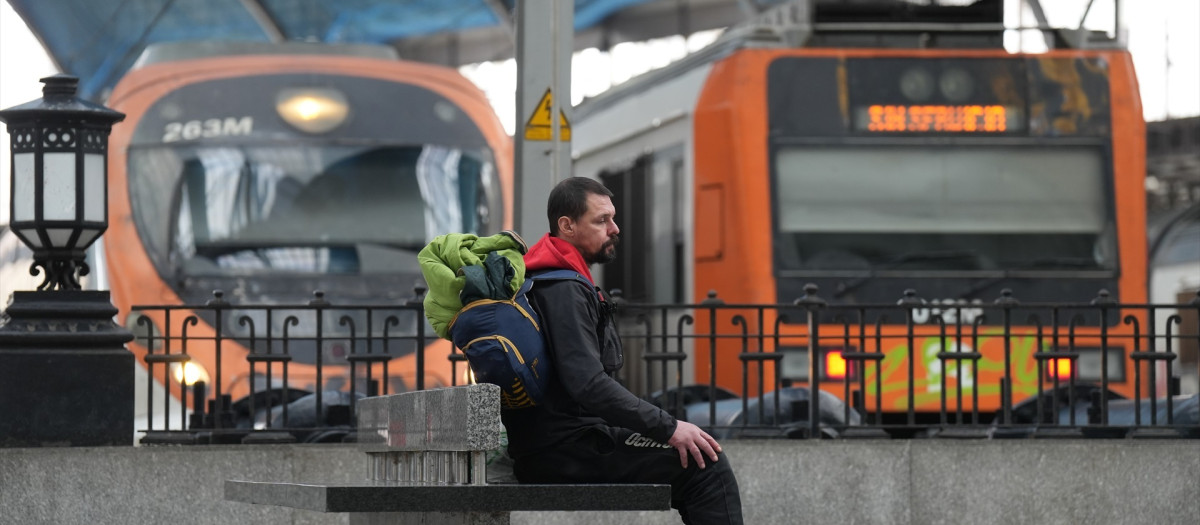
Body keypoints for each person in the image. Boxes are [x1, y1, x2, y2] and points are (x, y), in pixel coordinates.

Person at [503, 177, 744, 524]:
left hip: (560, 444)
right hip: (567, 450)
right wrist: (668, 427)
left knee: (700, 459)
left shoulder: (552, 279)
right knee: (707, 465)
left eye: (613, 218)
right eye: (601, 220)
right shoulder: (562, 290)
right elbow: (588, 385)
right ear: (567, 226)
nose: (615, 228)